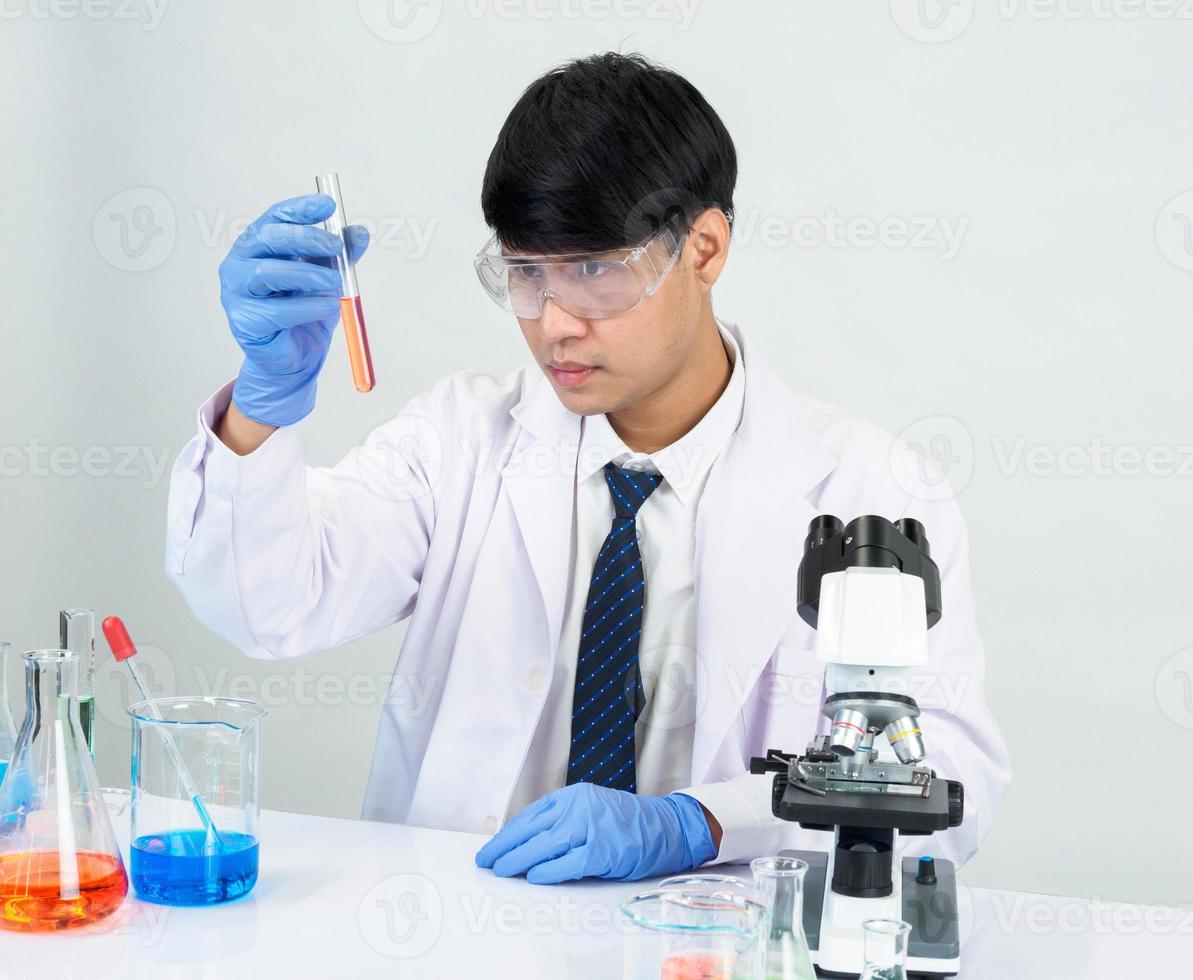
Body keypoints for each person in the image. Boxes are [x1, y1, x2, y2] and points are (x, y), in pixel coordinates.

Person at [166, 52, 1010, 885]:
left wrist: (703, 823)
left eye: (596, 270)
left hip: (721, 941)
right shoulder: (458, 440)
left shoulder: (870, 488)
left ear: (705, 248)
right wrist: (261, 408)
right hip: (465, 933)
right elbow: (268, 605)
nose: (554, 323)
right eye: (527, 274)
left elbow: (949, 784)